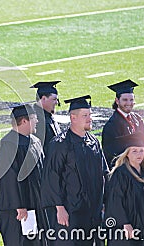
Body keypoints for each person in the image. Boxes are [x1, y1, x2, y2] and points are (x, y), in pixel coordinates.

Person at [41, 95, 109, 246]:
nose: (89, 119)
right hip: (71, 210)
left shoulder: (94, 142)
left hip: (93, 209)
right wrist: (59, 208)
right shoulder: (59, 144)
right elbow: (51, 178)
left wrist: (104, 203)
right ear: (73, 117)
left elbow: (103, 172)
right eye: (85, 115)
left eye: (90, 115)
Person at [0, 103, 48, 246]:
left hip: (34, 204)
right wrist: (19, 205)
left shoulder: (35, 141)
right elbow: (7, 178)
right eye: (34, 118)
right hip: (17, 210)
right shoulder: (8, 144)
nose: (37, 121)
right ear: (24, 121)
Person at [101, 79, 144, 185]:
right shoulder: (112, 125)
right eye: (125, 100)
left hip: (142, 171)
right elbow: (110, 155)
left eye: (131, 100)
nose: (129, 103)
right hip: (125, 177)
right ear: (117, 101)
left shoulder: (137, 119)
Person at [105, 133, 144, 245]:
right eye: (134, 151)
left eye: (141, 150)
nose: (139, 154)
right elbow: (115, 202)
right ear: (127, 154)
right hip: (127, 228)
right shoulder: (120, 173)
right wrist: (125, 224)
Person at [30, 81, 62, 153]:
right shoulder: (35, 119)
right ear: (44, 98)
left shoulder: (49, 116)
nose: (57, 102)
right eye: (54, 99)